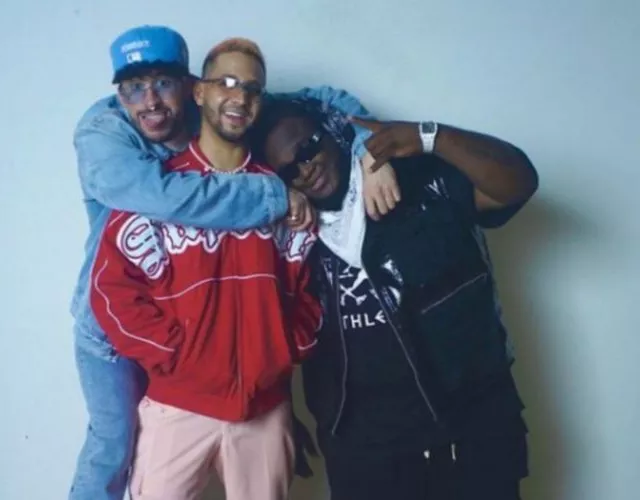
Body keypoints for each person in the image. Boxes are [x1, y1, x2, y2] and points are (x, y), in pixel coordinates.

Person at [68, 25, 384, 500]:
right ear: (120, 94)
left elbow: (322, 100)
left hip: (229, 375)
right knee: (111, 449)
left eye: (163, 83)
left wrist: (368, 149)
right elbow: (162, 200)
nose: (150, 101)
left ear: (190, 86)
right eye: (133, 87)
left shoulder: (228, 102)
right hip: (110, 336)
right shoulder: (104, 131)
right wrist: (275, 195)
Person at [257, 97, 539, 500]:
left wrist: (432, 137)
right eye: (288, 171)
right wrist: (279, 411)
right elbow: (278, 331)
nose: (306, 169)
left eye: (308, 149)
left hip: (469, 430)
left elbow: (518, 183)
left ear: (332, 133)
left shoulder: (421, 181)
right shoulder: (290, 239)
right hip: (365, 453)